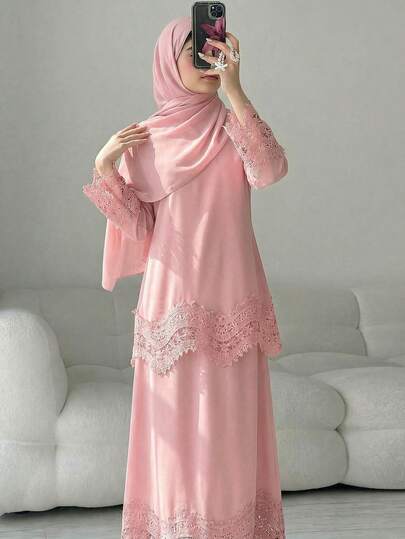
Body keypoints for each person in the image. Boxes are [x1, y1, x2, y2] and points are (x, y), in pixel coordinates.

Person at [82, 14, 288, 539]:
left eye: (212, 45)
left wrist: (236, 89)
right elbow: (140, 227)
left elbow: (269, 171)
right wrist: (105, 168)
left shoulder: (234, 126)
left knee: (231, 431)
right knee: (172, 433)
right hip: (172, 304)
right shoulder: (146, 139)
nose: (206, 58)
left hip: (233, 298)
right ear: (168, 62)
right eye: (193, 48)